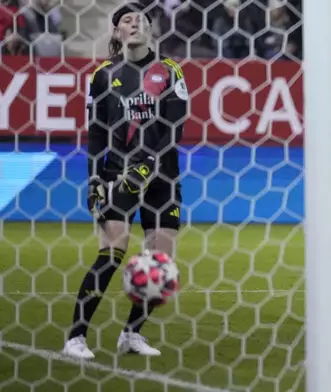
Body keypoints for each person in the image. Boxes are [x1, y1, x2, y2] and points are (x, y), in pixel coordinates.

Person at [62, 2, 189, 359]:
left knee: (159, 261)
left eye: (141, 20)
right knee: (111, 253)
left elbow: (174, 126)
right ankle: (76, 338)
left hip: (163, 176)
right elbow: (96, 133)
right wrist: (93, 179)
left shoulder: (169, 70)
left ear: (150, 29)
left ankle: (131, 334)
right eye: (126, 21)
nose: (134, 24)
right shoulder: (103, 74)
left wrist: (147, 165)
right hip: (119, 175)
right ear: (117, 32)